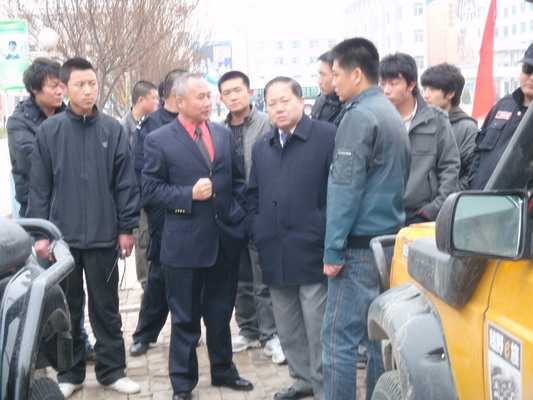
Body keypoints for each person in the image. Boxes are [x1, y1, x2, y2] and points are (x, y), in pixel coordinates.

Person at [27, 57, 141, 398]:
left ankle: (112, 370)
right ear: (65, 88)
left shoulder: (112, 130)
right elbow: (39, 187)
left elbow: (125, 183)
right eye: (80, 84)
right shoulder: (49, 132)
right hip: (62, 241)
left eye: (92, 83)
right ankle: (70, 372)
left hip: (104, 236)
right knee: (67, 309)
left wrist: (126, 228)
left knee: (106, 308)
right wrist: (42, 235)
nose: (88, 90)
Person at [142, 72, 253, 400]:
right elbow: (149, 190)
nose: (208, 102)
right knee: (185, 319)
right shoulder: (159, 140)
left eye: (209, 96)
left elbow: (237, 181)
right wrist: (187, 194)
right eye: (200, 97)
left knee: (220, 315)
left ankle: (223, 370)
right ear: (180, 102)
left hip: (223, 240)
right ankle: (182, 382)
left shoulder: (221, 133)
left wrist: (238, 217)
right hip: (184, 245)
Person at [321, 37, 411, 400]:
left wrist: (332, 250)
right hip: (387, 243)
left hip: (357, 249)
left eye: (336, 74)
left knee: (337, 339)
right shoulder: (389, 112)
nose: (333, 83)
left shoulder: (359, 116)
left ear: (356, 74)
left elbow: (344, 188)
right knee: (377, 338)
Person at [249, 76, 335, 400]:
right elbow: (253, 194)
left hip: (313, 249)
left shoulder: (326, 137)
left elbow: (339, 190)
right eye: (272, 103)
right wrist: (257, 227)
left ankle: (325, 386)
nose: (279, 108)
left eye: (285, 100)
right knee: (287, 325)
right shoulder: (263, 146)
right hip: (275, 249)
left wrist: (322, 226)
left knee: (317, 326)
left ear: (301, 101)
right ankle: (302, 379)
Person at [218, 70, 285, 364]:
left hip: (260, 209)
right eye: (227, 93)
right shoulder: (218, 130)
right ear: (221, 98)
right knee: (240, 277)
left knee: (264, 277)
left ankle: (271, 334)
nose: (233, 97)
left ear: (249, 92)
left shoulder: (267, 124)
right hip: (231, 214)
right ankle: (247, 330)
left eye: (238, 90)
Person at [129, 69, 186, 357]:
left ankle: (187, 331)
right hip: (163, 214)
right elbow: (142, 173)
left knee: (191, 279)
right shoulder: (151, 125)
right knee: (159, 277)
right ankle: (145, 333)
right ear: (176, 94)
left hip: (195, 212)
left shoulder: (196, 122)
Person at [380, 52, 460, 224]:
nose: (386, 90)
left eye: (393, 84)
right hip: (384, 215)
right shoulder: (377, 119)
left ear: (411, 84)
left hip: (422, 215)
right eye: (383, 83)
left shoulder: (436, 119)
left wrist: (434, 209)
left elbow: (450, 166)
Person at [470, 42, 533, 189]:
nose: (531, 77)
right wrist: (473, 180)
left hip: (517, 201)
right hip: (481, 196)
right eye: (528, 70)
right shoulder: (503, 105)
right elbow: (478, 151)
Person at [7, 58, 65, 217]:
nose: (60, 91)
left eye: (62, 85)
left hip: (68, 208)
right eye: (54, 86)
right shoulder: (18, 123)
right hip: (35, 210)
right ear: (34, 88)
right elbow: (35, 163)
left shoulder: (69, 116)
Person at [121, 80, 159, 290]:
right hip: (134, 195)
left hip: (151, 192)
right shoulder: (122, 128)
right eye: (153, 98)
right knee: (142, 239)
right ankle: (146, 284)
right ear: (141, 100)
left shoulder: (152, 123)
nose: (157, 102)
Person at [421, 63, 478, 190]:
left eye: (432, 89)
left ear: (450, 93)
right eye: (424, 89)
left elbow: (472, 174)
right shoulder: (421, 123)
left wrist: (447, 197)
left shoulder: (467, 128)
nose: (425, 95)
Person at [311, 51, 343, 124]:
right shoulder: (320, 99)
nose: (319, 81)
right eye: (319, 75)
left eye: (323, 75)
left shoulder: (349, 107)